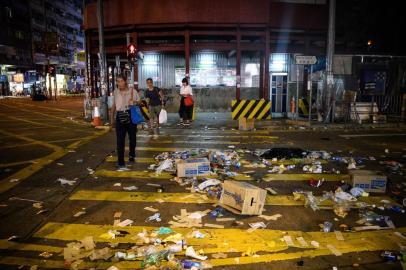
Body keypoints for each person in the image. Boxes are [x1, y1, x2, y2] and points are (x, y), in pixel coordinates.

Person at [111, 74, 141, 171]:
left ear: (125, 81)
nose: (119, 83)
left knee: (132, 138)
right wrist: (112, 118)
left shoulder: (133, 91)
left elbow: (140, 102)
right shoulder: (115, 92)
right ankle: (121, 162)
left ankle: (131, 154)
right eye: (117, 81)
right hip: (120, 116)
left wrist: (134, 102)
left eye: (121, 81)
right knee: (120, 140)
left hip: (130, 115)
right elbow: (114, 105)